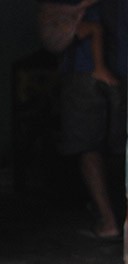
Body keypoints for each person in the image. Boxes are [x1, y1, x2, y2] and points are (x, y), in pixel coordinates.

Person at [52, 0, 127, 240]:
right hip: (114, 69)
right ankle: (113, 216)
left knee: (89, 148)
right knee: (116, 148)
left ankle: (108, 220)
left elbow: (87, 28)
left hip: (86, 71)